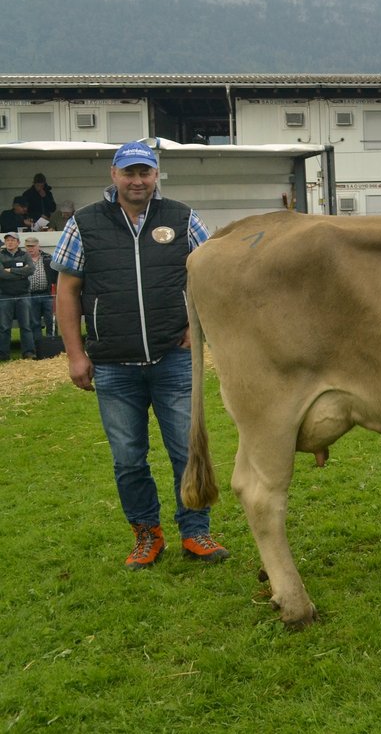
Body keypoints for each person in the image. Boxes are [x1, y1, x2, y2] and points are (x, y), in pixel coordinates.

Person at [52, 141, 230, 569]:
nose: (137, 181)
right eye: (129, 173)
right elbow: (67, 291)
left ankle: (195, 531)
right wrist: (75, 355)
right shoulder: (84, 224)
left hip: (173, 360)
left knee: (187, 452)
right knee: (128, 459)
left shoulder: (183, 218)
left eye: (145, 173)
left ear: (156, 176)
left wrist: (196, 324)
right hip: (113, 367)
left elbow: (215, 274)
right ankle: (146, 535)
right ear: (113, 175)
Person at [1, 230, 37, 359]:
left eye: (12, 240)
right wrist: (21, 273)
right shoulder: (0, 255)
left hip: (23, 295)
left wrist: (11, 270)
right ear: (5, 242)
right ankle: (3, 354)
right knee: (4, 327)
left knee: (26, 326)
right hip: (4, 295)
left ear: (18, 242)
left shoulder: (25, 254)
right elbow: (1, 274)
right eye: (7, 240)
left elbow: (31, 270)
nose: (9, 242)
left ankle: (28, 352)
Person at [24, 235, 57, 340]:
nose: (30, 248)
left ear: (38, 246)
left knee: (50, 320)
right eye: (28, 246)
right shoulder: (23, 259)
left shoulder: (48, 258)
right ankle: (38, 344)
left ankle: (52, 343)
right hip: (30, 295)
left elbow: (56, 274)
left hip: (47, 294)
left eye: (33, 246)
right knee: (34, 322)